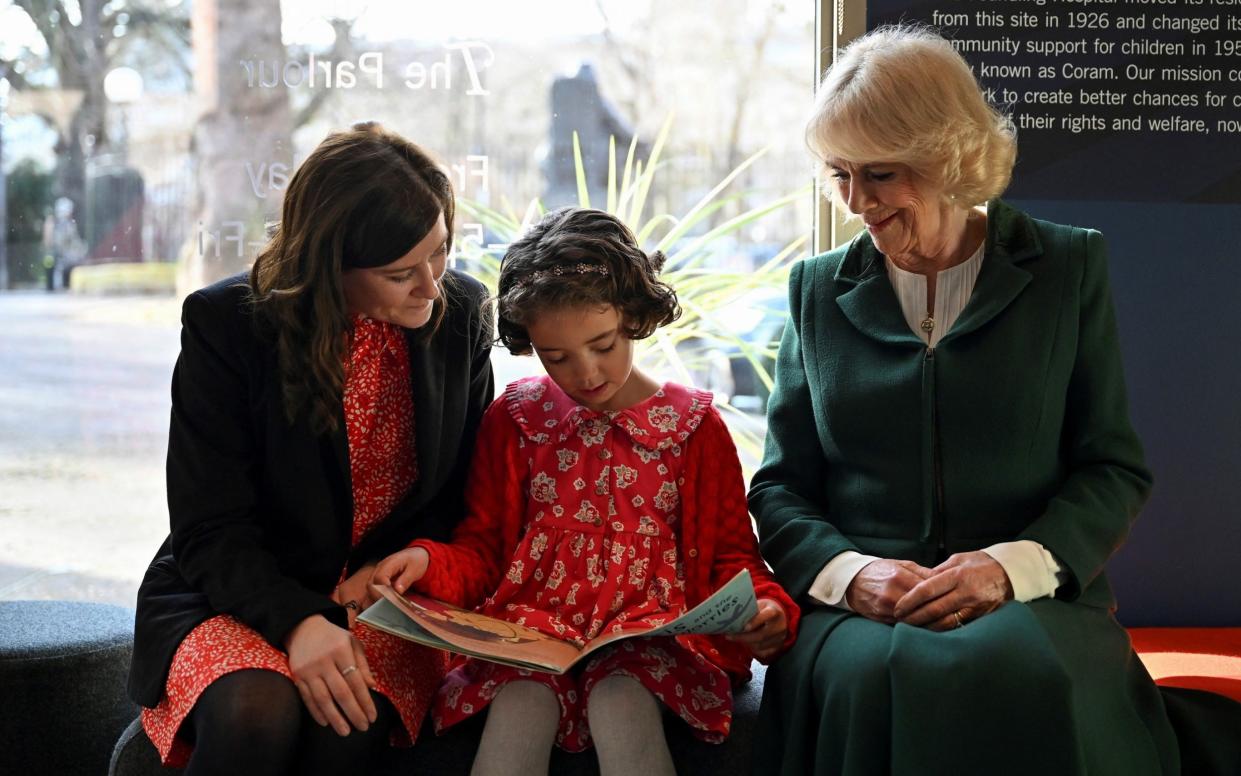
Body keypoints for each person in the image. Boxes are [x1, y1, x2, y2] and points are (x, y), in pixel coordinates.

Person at [748, 26, 1241, 776]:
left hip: (1030, 593)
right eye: (837, 174)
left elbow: (1110, 468)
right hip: (862, 602)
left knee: (1024, 671)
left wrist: (1007, 569)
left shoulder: (1067, 265)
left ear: (943, 156)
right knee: (861, 679)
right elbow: (781, 487)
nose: (855, 203)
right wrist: (850, 574)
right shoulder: (815, 290)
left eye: (877, 174)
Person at [372, 207, 801, 776]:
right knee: (521, 706)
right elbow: (482, 551)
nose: (587, 373)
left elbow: (733, 559)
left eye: (603, 344)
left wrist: (768, 609)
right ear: (531, 345)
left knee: (622, 698)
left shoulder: (694, 428)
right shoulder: (516, 419)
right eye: (557, 358)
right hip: (529, 637)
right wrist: (426, 561)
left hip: (653, 642)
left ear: (633, 316)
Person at [126, 122, 495, 774]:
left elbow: (459, 499)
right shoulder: (228, 326)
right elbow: (209, 526)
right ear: (329, 268)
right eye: (399, 273)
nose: (431, 287)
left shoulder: (460, 313)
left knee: (343, 725)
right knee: (253, 710)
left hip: (380, 602)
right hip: (237, 589)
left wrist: (408, 564)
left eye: (440, 252)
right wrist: (300, 622)